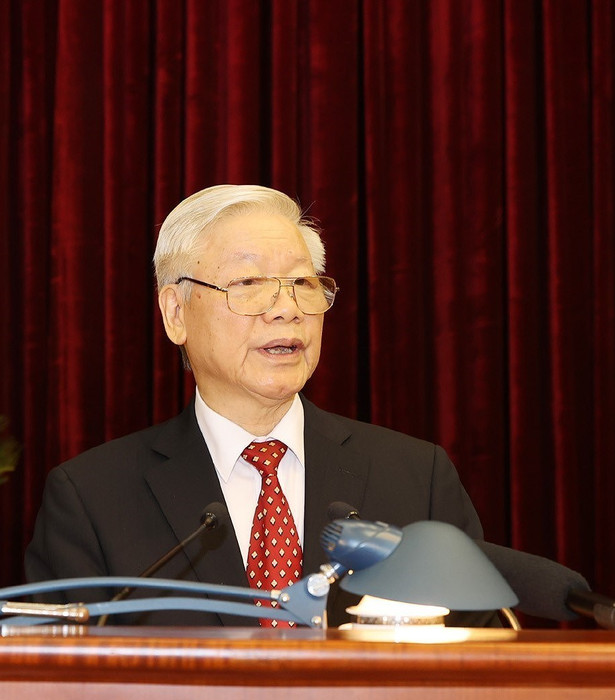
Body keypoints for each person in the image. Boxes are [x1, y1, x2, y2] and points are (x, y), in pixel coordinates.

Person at [24, 184, 496, 627]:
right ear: (175, 313)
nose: (286, 308)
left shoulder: (417, 478)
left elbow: (487, 666)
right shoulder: (92, 498)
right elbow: (61, 689)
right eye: (249, 282)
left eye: (302, 284)